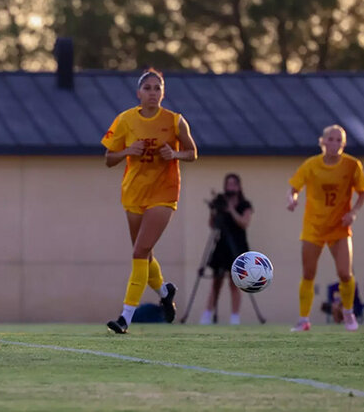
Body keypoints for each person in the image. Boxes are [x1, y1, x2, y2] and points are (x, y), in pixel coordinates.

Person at [101, 68, 198, 334]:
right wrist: (127, 151)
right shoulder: (125, 120)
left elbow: (192, 153)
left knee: (138, 252)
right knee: (144, 252)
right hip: (133, 192)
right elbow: (108, 158)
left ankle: (125, 317)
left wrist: (174, 155)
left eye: (158, 88)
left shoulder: (175, 121)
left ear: (163, 93)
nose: (153, 93)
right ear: (139, 93)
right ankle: (165, 291)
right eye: (148, 88)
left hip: (164, 193)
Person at [287, 124, 364, 332]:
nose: (334, 144)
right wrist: (292, 199)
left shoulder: (352, 165)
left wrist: (353, 213)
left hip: (339, 227)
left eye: (339, 140)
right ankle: (303, 319)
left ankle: (349, 313)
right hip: (314, 226)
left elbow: (362, 193)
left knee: (344, 273)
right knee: (308, 273)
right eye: (330, 139)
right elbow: (294, 188)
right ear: (322, 142)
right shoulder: (311, 164)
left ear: (344, 143)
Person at [200, 173, 253, 325]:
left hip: (237, 245)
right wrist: (214, 210)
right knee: (216, 281)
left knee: (235, 281)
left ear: (238, 186)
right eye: (228, 184)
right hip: (222, 244)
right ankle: (207, 315)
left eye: (233, 184)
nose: (230, 187)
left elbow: (244, 222)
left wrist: (231, 210)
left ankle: (235, 317)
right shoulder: (221, 201)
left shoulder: (245, 205)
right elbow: (212, 225)